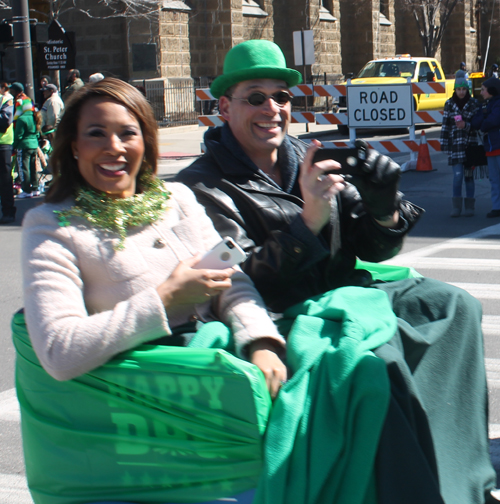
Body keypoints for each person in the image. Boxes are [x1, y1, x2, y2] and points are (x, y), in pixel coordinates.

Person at [177, 39, 498, 504]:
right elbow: (244, 281)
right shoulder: (202, 186)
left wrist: (384, 206)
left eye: (282, 97)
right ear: (225, 107)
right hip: (287, 315)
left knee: (455, 305)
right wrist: (308, 221)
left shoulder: (305, 156)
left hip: (346, 295)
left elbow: (375, 245)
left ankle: (465, 478)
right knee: (378, 361)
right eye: (255, 97)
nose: (272, 108)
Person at [21, 78, 287, 401]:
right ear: (75, 145)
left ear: (145, 141)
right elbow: (59, 351)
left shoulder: (178, 198)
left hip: (225, 372)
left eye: (128, 133)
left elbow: (232, 280)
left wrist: (261, 343)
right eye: (96, 134)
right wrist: (164, 299)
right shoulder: (50, 225)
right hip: (152, 405)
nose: (114, 147)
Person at [440, 75, 481, 216]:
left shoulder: (474, 103)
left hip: (470, 145)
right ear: (455, 90)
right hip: (455, 145)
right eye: (459, 89)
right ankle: (456, 207)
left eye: (464, 89)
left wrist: (466, 125)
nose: (461, 92)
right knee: (458, 176)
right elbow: (445, 125)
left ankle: (470, 206)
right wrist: (444, 143)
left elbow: (478, 125)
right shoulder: (449, 104)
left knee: (469, 177)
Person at [472, 77, 500, 218]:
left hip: (497, 145)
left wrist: (484, 125)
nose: (481, 92)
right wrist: (484, 125)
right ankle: (497, 207)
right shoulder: (484, 106)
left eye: (483, 89)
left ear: (492, 90)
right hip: (490, 147)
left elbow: (493, 120)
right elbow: (477, 121)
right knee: (494, 179)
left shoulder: (498, 103)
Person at [10, 82, 41, 198]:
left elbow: (18, 134)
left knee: (24, 168)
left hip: (23, 145)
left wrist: (15, 145)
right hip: (33, 144)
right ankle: (35, 188)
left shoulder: (21, 118)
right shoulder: (34, 117)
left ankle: (26, 190)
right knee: (33, 167)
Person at [0, 81, 15, 224]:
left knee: (5, 180)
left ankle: (8, 211)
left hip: (3, 144)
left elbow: (4, 122)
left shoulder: (6, 100)